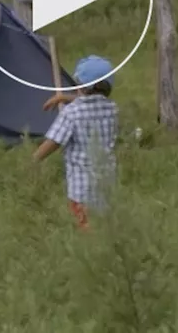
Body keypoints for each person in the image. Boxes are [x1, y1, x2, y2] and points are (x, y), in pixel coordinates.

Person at [33, 55, 120, 230]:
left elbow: (54, 142)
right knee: (104, 228)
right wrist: (65, 97)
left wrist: (33, 160)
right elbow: (93, 104)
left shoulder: (71, 113)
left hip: (82, 190)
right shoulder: (112, 109)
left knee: (85, 231)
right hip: (106, 185)